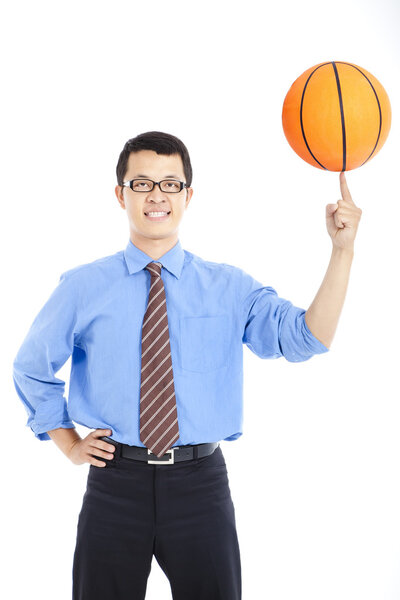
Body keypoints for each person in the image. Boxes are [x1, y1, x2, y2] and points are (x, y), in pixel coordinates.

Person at [12, 130, 362, 600]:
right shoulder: (83, 286)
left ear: (188, 195)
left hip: (200, 487)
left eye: (170, 184)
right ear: (121, 195)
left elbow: (307, 338)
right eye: (142, 184)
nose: (157, 195)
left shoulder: (229, 287)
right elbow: (31, 366)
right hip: (115, 484)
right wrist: (69, 444)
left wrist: (342, 250)